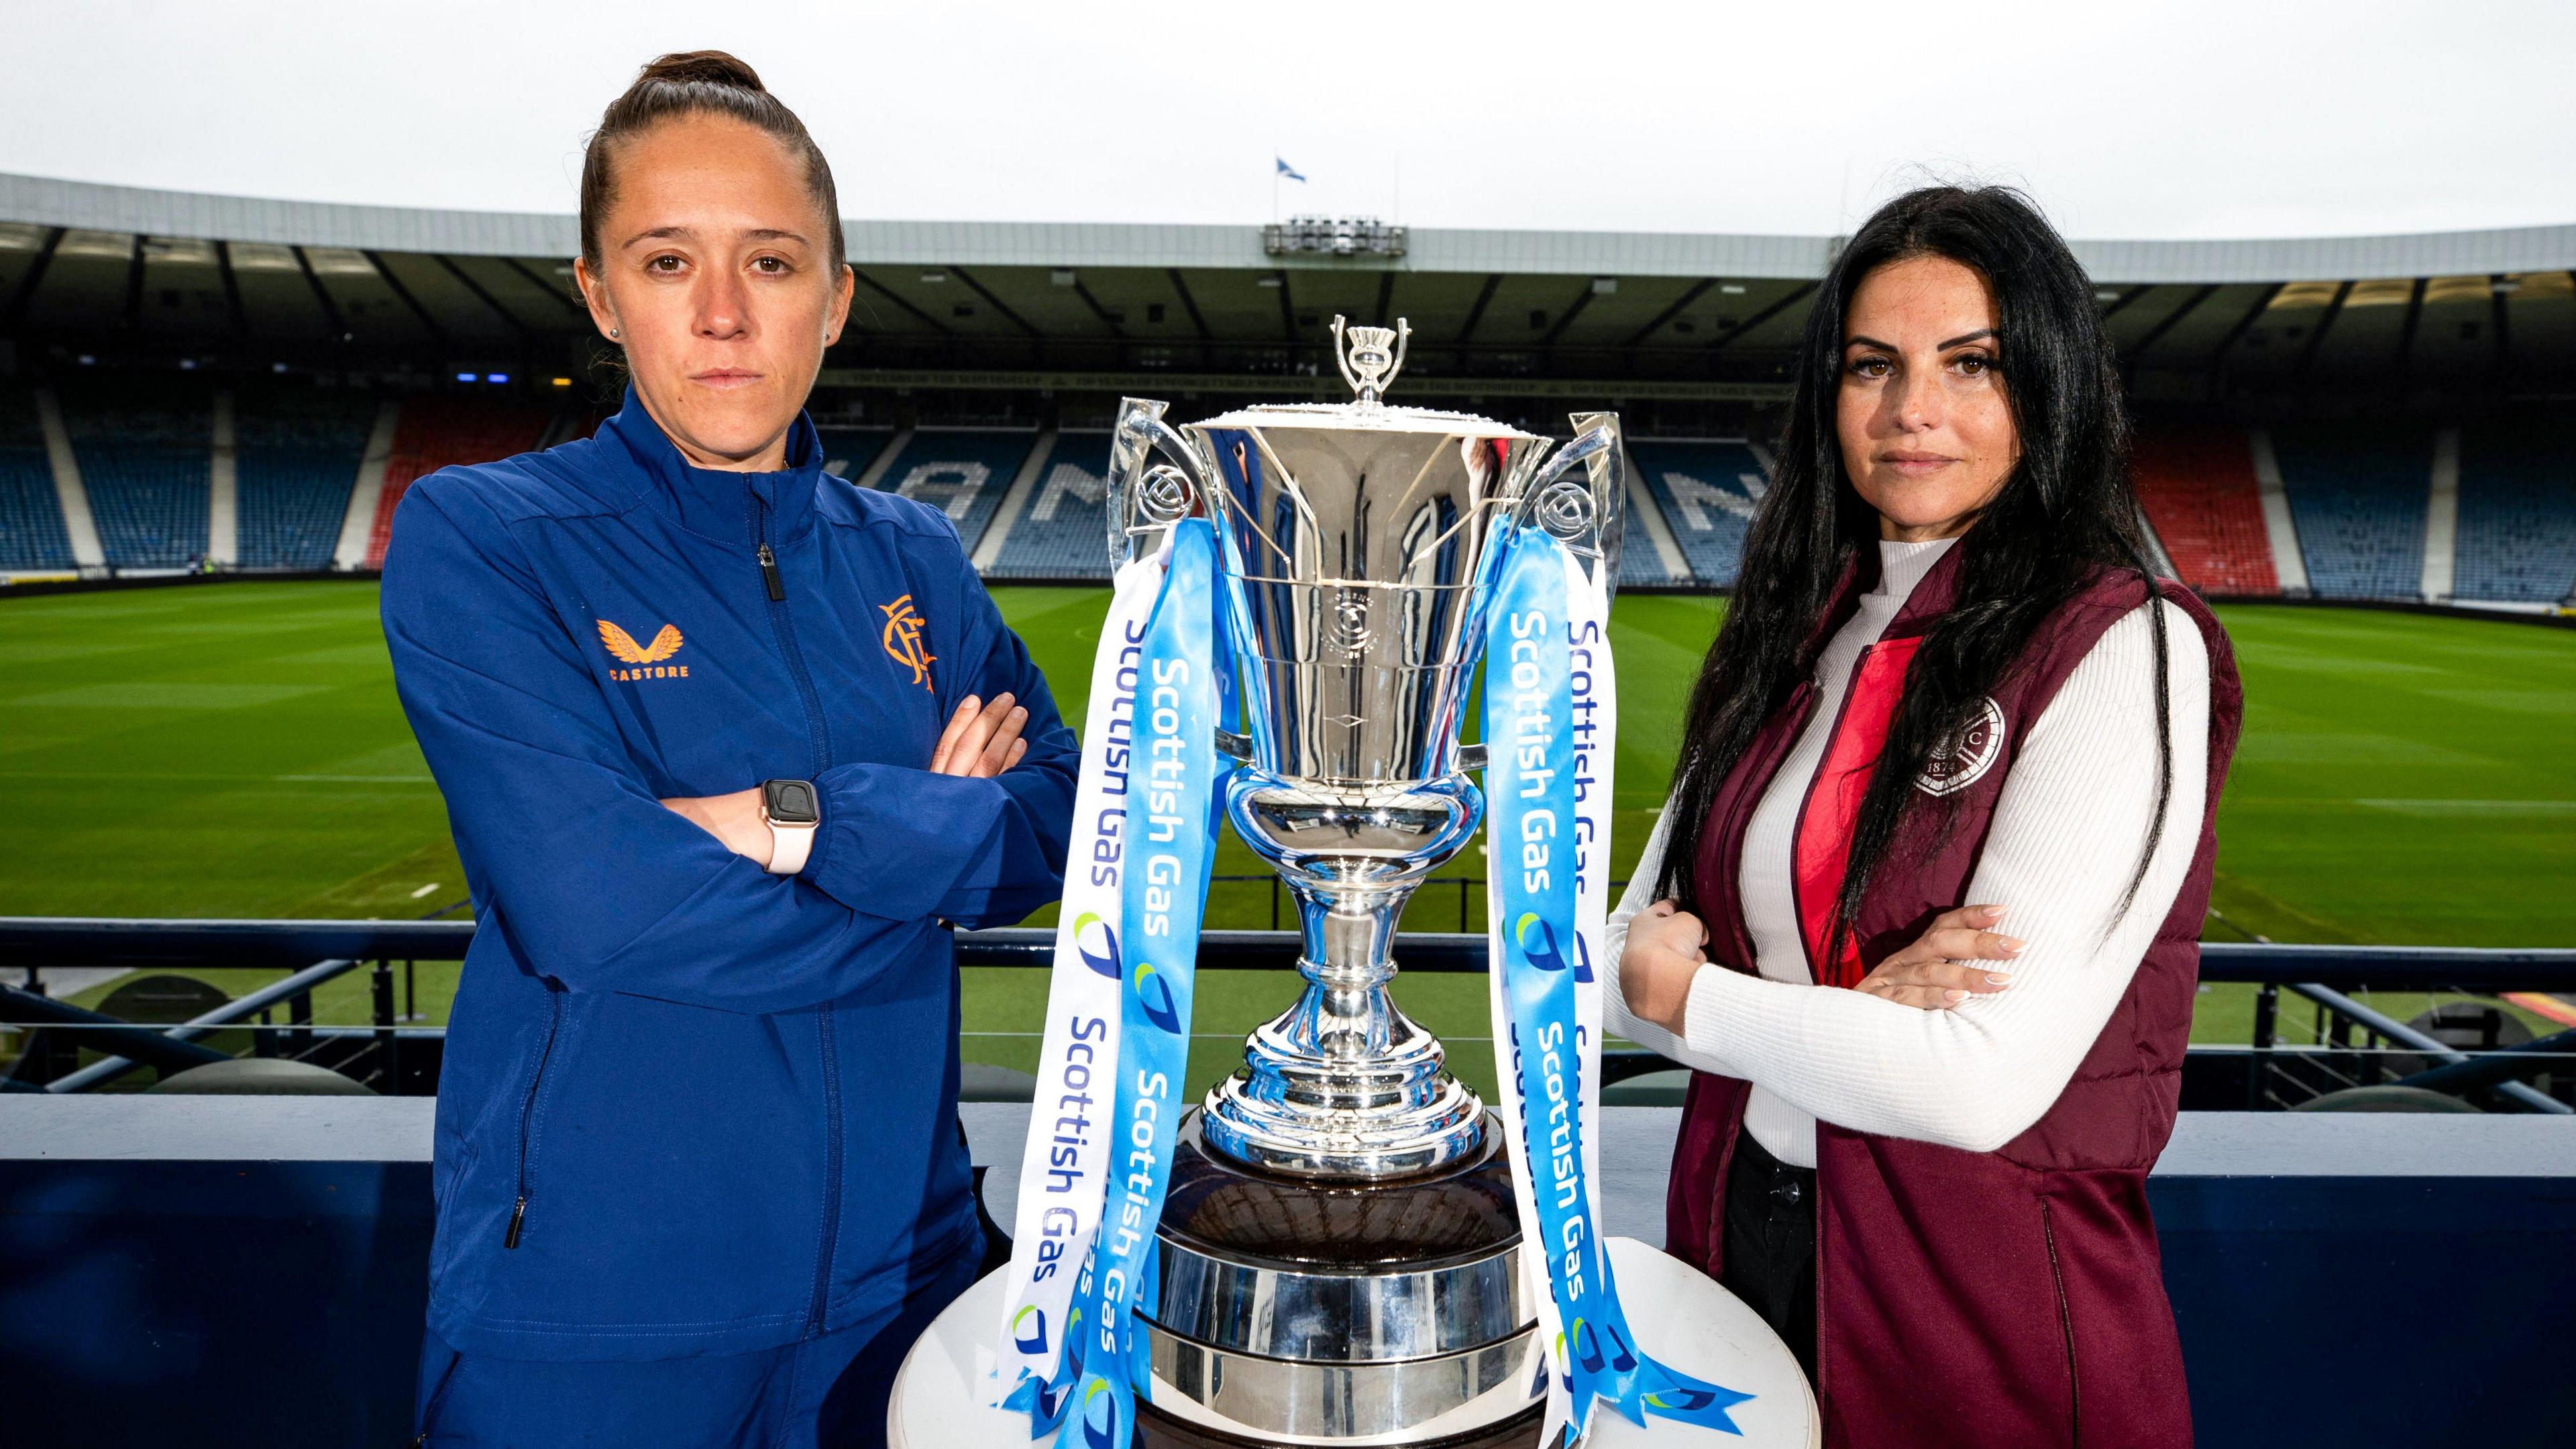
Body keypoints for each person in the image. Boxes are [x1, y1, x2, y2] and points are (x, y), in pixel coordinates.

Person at [381, 52, 1078, 1448]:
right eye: (663, 261)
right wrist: (924, 864)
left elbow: (1061, 822)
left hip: (898, 1294)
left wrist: (787, 823)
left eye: (768, 262)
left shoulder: (918, 556)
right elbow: (595, 906)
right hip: (589, 1315)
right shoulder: (483, 538)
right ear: (598, 291)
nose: (718, 315)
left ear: (835, 298)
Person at [1607, 186, 2241, 1449]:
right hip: (1734, 1253)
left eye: (1973, 365)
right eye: (1872, 366)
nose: (1914, 412)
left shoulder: (2128, 643)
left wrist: (1699, 999)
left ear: (2050, 386)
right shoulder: (1791, 634)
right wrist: (1852, 1006)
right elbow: (1592, 966)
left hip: (1981, 1309)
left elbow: (1975, 1085)